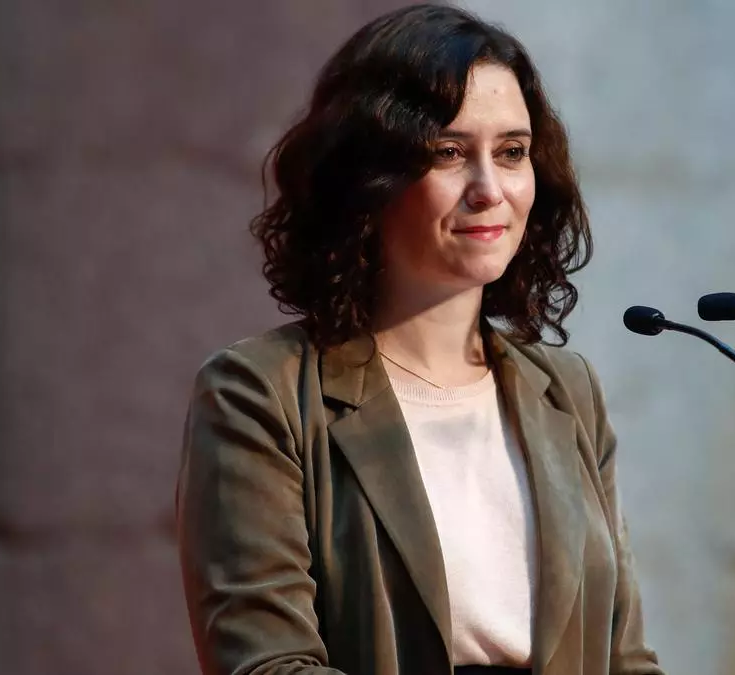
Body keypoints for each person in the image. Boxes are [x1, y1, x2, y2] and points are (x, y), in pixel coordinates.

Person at [176, 5, 663, 675]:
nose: (489, 190)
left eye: (512, 153)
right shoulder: (261, 393)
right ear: (369, 179)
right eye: (448, 153)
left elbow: (625, 657)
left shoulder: (567, 389)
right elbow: (266, 665)